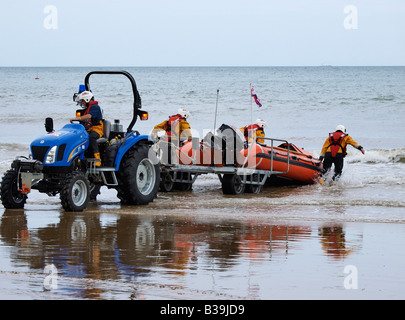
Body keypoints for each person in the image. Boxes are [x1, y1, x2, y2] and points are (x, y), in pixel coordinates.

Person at [70, 91, 104, 166]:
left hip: (97, 129)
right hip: (89, 129)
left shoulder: (95, 107)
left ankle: (98, 159)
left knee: (92, 137)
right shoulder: (87, 108)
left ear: (87, 99)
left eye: (82, 101)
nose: (82, 103)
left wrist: (78, 118)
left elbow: (89, 116)